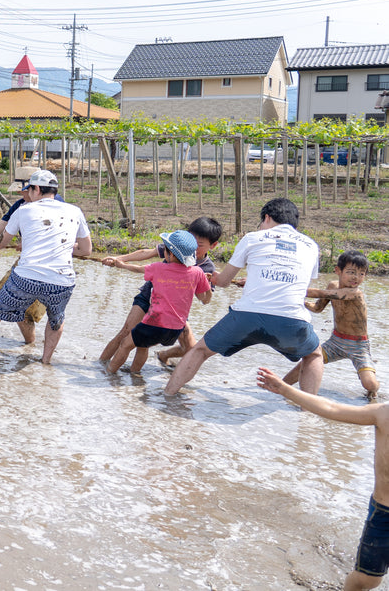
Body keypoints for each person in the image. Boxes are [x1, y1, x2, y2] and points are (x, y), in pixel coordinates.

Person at [165, 197, 324, 396]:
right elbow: (296, 283)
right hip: (291, 320)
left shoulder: (253, 238)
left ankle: (168, 395)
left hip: (247, 317)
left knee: (200, 350)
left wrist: (214, 278)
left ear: (267, 217)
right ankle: (308, 413)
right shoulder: (311, 246)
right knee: (314, 355)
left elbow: (222, 282)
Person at [257, 366, 389, 590]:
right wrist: (286, 390)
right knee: (367, 579)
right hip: (384, 514)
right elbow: (332, 407)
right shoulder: (384, 414)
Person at [0, 170, 91, 363]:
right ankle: (45, 361)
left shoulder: (24, 210)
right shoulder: (75, 211)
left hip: (26, 278)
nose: (27, 193)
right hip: (61, 280)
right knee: (56, 320)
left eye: (29, 189)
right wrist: (62, 247)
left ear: (37, 189)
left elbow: (1, 241)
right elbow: (86, 250)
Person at [98, 216, 222, 368]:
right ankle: (100, 365)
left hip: (174, 310)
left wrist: (206, 283)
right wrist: (119, 259)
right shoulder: (177, 246)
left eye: (199, 245)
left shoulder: (205, 269)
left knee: (190, 348)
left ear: (213, 245)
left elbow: (204, 299)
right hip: (149, 298)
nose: (192, 247)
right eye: (191, 241)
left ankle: (164, 356)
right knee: (126, 332)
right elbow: (146, 253)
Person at [0, 174, 67, 344]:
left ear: (35, 189)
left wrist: (27, 242)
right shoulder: (21, 205)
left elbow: (59, 233)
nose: (21, 195)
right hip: (25, 262)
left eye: (23, 190)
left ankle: (29, 345)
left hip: (51, 266)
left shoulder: (56, 203)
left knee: (25, 313)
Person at [283, 251, 376, 400]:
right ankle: (280, 387)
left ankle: (374, 393)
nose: (356, 278)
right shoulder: (333, 285)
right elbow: (318, 308)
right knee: (308, 362)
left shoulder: (355, 293)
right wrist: (302, 303)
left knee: (369, 384)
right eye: (351, 272)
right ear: (338, 270)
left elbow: (321, 293)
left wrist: (289, 290)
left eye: (361, 274)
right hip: (336, 342)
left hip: (358, 345)